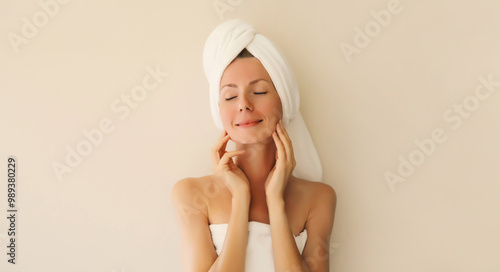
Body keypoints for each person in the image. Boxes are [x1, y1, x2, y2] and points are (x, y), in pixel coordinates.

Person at [172, 19, 336, 272]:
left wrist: (275, 201)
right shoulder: (192, 194)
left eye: (259, 92)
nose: (243, 105)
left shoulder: (319, 198)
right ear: (218, 108)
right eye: (230, 96)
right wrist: (240, 198)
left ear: (285, 100)